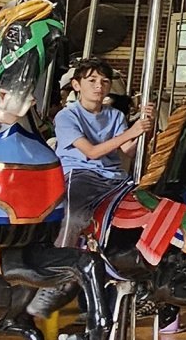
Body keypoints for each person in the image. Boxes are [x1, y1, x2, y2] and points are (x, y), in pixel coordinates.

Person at [54, 59, 148, 243]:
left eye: (105, 81)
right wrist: (131, 132)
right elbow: (92, 152)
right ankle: (63, 252)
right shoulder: (67, 116)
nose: (99, 86)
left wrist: (145, 130)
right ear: (76, 85)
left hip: (114, 177)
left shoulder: (115, 115)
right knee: (74, 217)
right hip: (80, 174)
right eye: (92, 81)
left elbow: (129, 150)